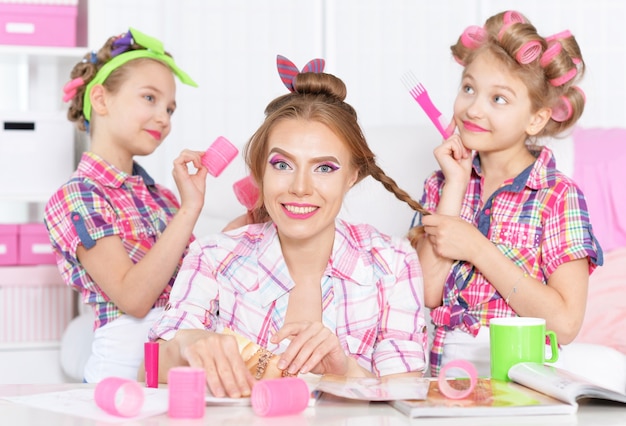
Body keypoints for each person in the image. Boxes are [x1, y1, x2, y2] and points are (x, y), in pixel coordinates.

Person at [143, 55, 430, 398]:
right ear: (261, 171)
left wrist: (345, 371)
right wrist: (189, 342)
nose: (300, 187)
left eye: (324, 168)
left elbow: (407, 393)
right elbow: (148, 367)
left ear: (352, 176)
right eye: (282, 164)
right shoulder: (212, 255)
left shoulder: (393, 262)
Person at [409, 10, 603, 377]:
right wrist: (456, 185)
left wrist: (477, 248)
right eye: (468, 88)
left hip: (517, 388)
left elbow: (563, 323)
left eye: (498, 99)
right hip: (443, 384)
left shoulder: (557, 196)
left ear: (536, 119)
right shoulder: (442, 183)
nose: (474, 108)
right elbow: (425, 292)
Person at [44, 28, 206, 383]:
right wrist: (189, 209)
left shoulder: (163, 197)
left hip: (173, 368)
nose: (164, 118)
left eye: (170, 108)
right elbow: (134, 297)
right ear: (101, 100)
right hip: (120, 380)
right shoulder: (78, 196)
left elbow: (199, 279)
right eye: (150, 98)